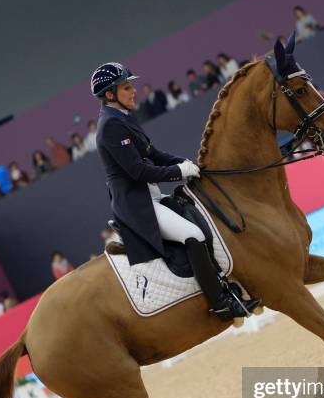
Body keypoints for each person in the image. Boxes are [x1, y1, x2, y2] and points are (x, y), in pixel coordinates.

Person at [91, 61, 259, 321]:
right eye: (127, 87)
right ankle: (221, 302)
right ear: (110, 95)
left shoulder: (123, 117)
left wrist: (190, 164)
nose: (134, 90)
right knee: (193, 235)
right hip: (138, 204)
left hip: (153, 195)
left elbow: (154, 155)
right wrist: (178, 173)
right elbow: (137, 171)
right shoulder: (110, 126)